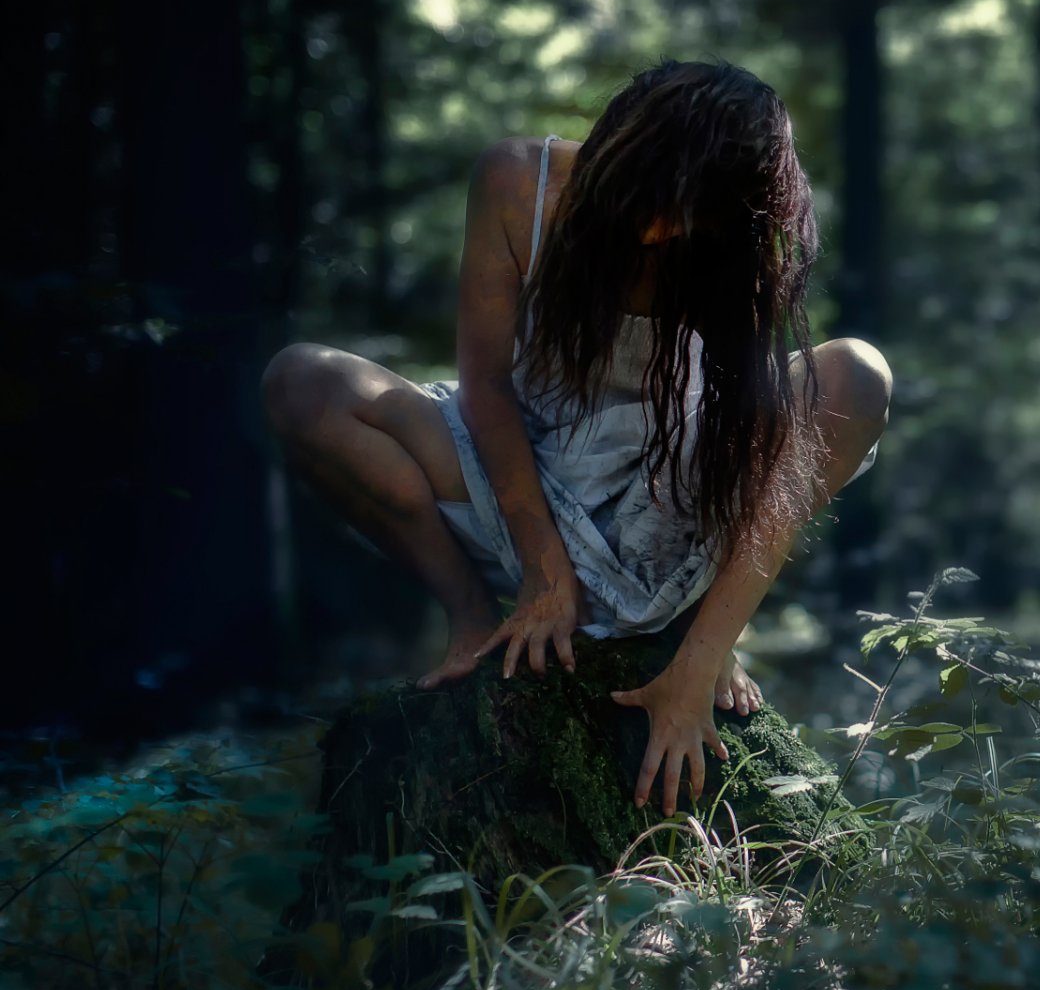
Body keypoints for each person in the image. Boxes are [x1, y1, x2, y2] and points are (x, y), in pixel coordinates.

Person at [260, 59, 891, 815]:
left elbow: (751, 452)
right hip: (517, 468)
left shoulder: (742, 236)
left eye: (691, 215)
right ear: (623, 150)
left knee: (859, 372)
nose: (662, 229)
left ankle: (690, 635)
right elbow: (485, 386)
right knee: (302, 381)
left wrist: (704, 657)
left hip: (671, 497)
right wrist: (544, 571)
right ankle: (468, 620)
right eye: (658, 200)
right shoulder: (516, 181)